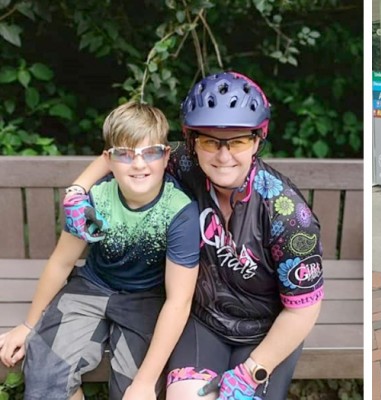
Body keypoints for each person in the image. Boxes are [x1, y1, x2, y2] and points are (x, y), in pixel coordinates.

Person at [66, 71, 324, 400]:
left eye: (239, 140)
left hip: (266, 329)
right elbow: (126, 153)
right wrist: (77, 191)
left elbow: (303, 309)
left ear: (258, 140)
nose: (223, 155)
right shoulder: (187, 166)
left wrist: (253, 371)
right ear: (192, 141)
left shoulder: (288, 215)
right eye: (209, 141)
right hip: (204, 319)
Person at [0, 102, 200, 400]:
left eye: (151, 153)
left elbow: (179, 301)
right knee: (45, 372)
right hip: (91, 286)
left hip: (146, 297)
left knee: (136, 388)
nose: (139, 165)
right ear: (109, 159)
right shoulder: (95, 198)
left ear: (166, 155)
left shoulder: (180, 211)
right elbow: (62, 261)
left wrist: (144, 383)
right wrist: (29, 324)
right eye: (125, 155)